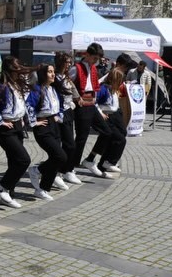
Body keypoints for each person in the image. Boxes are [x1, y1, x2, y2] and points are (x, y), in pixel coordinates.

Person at [0, 55, 34, 207]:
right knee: (24, 159)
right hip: (6, 129)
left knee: (14, 161)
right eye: (16, 67)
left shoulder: (17, 85)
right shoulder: (1, 87)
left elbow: (22, 103)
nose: (19, 69)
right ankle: (2, 186)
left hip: (17, 126)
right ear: (9, 69)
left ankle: (7, 194)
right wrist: (0, 121)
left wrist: (23, 118)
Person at [68, 43, 117, 178]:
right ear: (87, 55)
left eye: (97, 59)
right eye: (94, 58)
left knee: (107, 132)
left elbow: (95, 86)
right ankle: (70, 168)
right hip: (82, 105)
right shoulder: (76, 68)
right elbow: (67, 84)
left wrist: (97, 107)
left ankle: (90, 159)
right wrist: (75, 97)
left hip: (92, 105)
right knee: (81, 138)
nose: (96, 61)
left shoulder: (93, 68)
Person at [26, 63, 69, 200]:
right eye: (49, 72)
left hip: (54, 124)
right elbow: (28, 106)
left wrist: (58, 116)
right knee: (60, 156)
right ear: (43, 74)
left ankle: (42, 189)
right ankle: (37, 170)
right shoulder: (37, 90)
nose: (53, 74)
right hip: (43, 126)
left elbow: (61, 105)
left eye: (53, 71)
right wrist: (34, 122)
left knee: (55, 158)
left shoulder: (54, 89)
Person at [53, 52, 81, 185]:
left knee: (70, 144)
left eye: (70, 62)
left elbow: (73, 91)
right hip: (59, 113)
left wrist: (77, 98)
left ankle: (67, 170)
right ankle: (58, 171)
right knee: (66, 144)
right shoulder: (55, 78)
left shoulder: (67, 77)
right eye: (67, 62)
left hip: (69, 111)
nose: (69, 64)